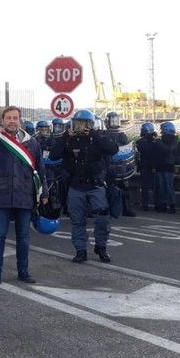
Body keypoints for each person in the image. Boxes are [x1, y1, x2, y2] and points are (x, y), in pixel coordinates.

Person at [0, 106, 46, 284]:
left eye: (15, 118)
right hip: (1, 195)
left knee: (23, 236)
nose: (12, 121)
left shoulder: (31, 142)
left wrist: (44, 191)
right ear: (3, 120)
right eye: (8, 118)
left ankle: (23, 272)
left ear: (19, 120)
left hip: (24, 194)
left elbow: (40, 169)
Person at [54, 109, 118, 264]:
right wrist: (64, 137)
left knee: (103, 218)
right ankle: (80, 250)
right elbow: (53, 155)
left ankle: (101, 247)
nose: (79, 126)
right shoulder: (69, 139)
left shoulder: (96, 138)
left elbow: (113, 149)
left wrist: (94, 134)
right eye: (77, 123)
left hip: (95, 185)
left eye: (83, 123)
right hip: (76, 186)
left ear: (90, 124)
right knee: (77, 221)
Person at [104, 112, 137, 218]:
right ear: (107, 122)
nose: (114, 123)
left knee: (125, 187)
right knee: (109, 187)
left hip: (121, 165)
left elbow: (126, 148)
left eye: (115, 120)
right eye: (112, 120)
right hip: (109, 165)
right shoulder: (104, 135)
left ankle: (126, 208)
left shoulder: (122, 135)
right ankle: (110, 208)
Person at [152, 121, 180, 213]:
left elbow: (168, 150)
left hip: (168, 166)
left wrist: (158, 141)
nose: (161, 132)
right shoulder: (162, 140)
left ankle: (172, 205)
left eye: (162, 130)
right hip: (161, 166)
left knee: (168, 186)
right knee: (161, 187)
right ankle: (163, 204)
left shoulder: (174, 141)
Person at [135, 122, 157, 211]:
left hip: (145, 166)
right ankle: (154, 204)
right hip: (150, 166)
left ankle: (146, 204)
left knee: (146, 187)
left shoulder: (141, 142)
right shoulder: (154, 141)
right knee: (152, 187)